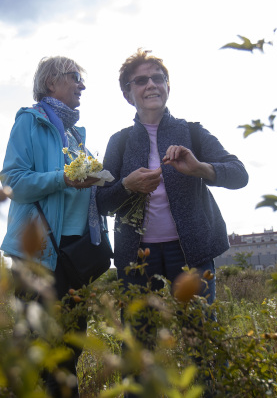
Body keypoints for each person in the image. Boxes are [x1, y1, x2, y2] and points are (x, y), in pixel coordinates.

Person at [96, 49, 248, 393]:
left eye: (158, 78)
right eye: (141, 80)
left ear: (168, 86)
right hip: (137, 258)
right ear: (127, 93)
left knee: (203, 340)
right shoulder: (119, 142)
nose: (151, 84)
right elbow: (101, 201)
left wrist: (201, 169)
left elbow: (239, 174)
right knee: (137, 345)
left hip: (191, 253)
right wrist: (126, 186)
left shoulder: (192, 132)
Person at [0, 55, 109, 398]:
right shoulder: (30, 123)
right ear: (51, 82)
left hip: (75, 255)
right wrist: (64, 177)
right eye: (75, 77)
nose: (82, 85)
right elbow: (13, 181)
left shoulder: (76, 135)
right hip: (41, 254)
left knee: (67, 349)